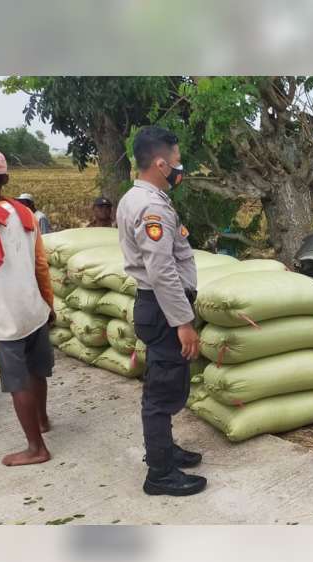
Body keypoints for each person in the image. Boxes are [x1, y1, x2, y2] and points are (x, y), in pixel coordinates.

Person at [116, 126, 205, 497]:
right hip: (163, 307)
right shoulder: (152, 207)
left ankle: (165, 450)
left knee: (163, 381)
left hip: (156, 306)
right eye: (177, 160)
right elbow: (161, 270)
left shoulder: (136, 197)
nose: (180, 167)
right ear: (161, 163)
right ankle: (160, 473)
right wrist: (183, 322)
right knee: (161, 392)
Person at [0, 148, 56, 465]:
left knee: (17, 384)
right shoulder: (25, 214)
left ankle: (36, 448)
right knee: (36, 372)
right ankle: (43, 421)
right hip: (32, 309)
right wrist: (48, 304)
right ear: (5, 179)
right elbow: (40, 265)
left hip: (1, 318)